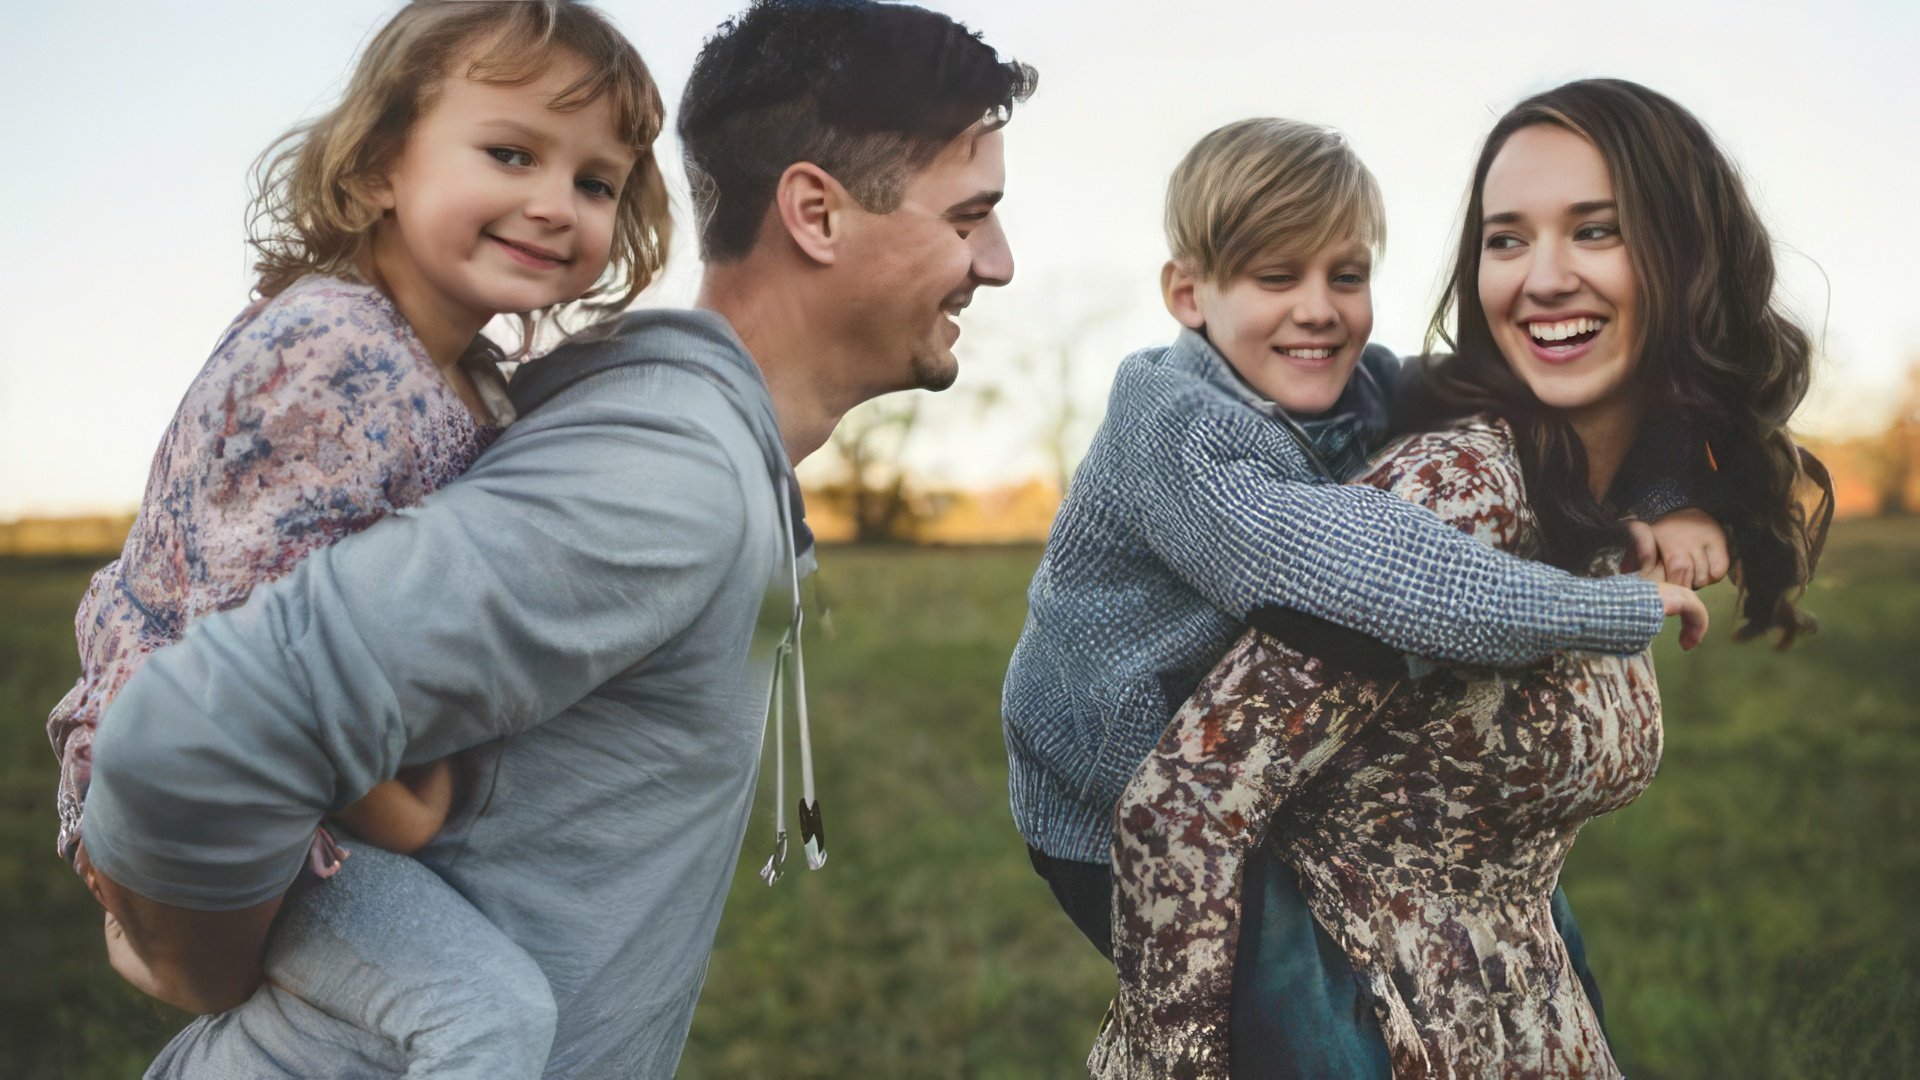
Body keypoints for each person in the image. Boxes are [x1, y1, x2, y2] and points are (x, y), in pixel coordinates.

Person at [77, 2, 1035, 1077]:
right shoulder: (668, 477)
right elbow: (202, 721)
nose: (997, 262)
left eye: (594, 182)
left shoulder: (613, 422)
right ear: (815, 212)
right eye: (971, 215)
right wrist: (194, 962)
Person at [1097, 79, 1834, 1078]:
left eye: (1596, 231)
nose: (1542, 277)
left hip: (1518, 1014)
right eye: (1506, 239)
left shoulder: (1596, 485)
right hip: (1360, 1026)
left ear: (1685, 253)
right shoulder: (1452, 492)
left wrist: (1672, 496)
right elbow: (1182, 803)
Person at [49, 1, 668, 1074]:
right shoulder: (334, 349)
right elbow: (251, 658)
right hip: (221, 786)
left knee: (313, 1019)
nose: (553, 204)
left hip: (294, 778)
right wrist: (408, 810)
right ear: (382, 164)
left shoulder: (467, 374)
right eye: (510, 152)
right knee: (486, 1014)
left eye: (594, 181)